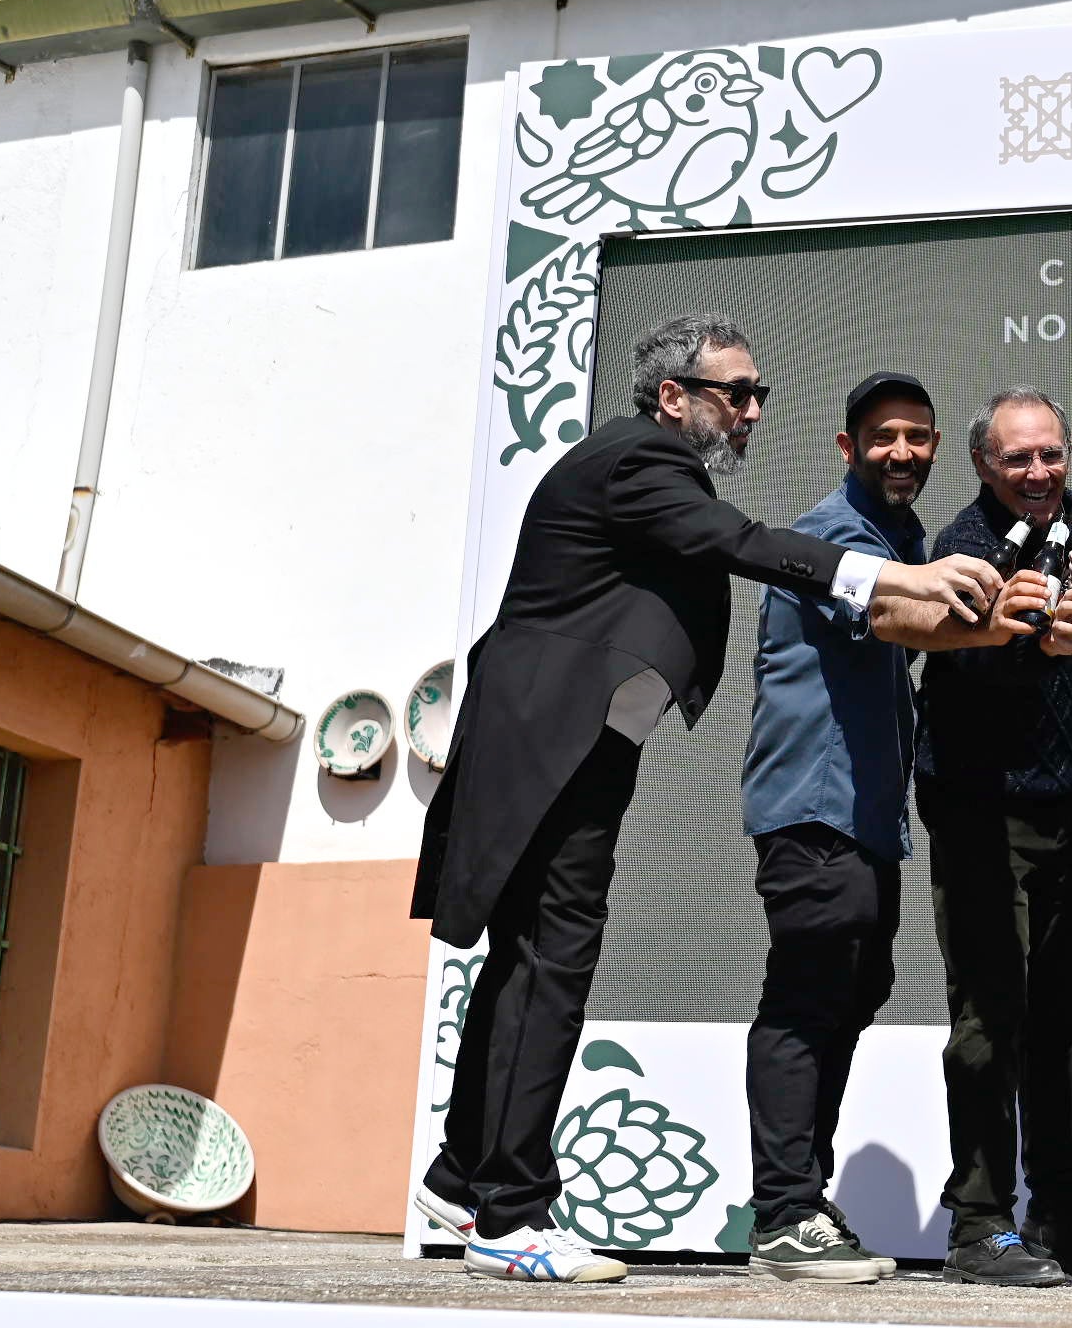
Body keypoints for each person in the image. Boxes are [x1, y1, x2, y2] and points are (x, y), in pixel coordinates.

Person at [411, 316, 1000, 1284]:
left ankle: (466, 1173)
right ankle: (509, 1218)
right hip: (550, 741)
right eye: (737, 391)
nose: (754, 409)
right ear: (673, 395)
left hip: (568, 741)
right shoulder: (643, 458)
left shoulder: (641, 464)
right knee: (549, 959)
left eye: (759, 391)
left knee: (536, 953)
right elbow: (738, 542)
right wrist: (897, 572)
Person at [739, 372, 944, 1283]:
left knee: (850, 997)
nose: (903, 451)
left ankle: (801, 1198)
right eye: (884, 435)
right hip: (813, 809)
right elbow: (899, 611)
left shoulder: (901, 536)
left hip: (865, 819)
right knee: (807, 997)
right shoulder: (834, 537)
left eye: (918, 436)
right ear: (848, 445)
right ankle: (783, 1211)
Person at [917, 387, 1072, 1287]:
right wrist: (1022, 634)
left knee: (1064, 1014)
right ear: (983, 465)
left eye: (1050, 456)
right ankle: (978, 1224)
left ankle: (1068, 1209)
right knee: (989, 1016)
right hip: (978, 806)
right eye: (1017, 460)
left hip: (1066, 804)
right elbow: (965, 653)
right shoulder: (964, 547)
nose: (1038, 474)